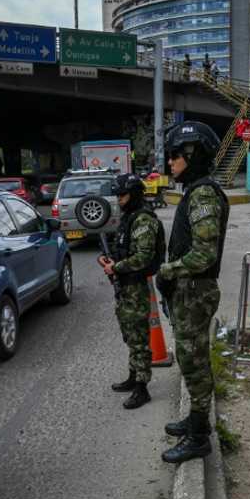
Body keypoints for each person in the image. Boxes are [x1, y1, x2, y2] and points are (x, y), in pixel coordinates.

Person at [156, 121, 229, 464]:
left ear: (192, 154)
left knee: (195, 362)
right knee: (189, 359)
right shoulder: (195, 191)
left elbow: (204, 254)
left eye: (174, 156)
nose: (169, 163)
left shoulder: (202, 193)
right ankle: (196, 421)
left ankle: (199, 437)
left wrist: (167, 270)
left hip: (194, 293)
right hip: (188, 292)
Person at [99, 173, 166, 410]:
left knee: (139, 337)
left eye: (123, 195)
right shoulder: (130, 218)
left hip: (136, 286)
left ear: (135, 194)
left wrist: (115, 267)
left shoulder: (144, 220)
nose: (119, 200)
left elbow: (142, 257)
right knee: (129, 333)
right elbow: (126, 250)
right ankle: (132, 376)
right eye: (117, 195)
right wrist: (110, 260)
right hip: (125, 286)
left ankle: (142, 387)